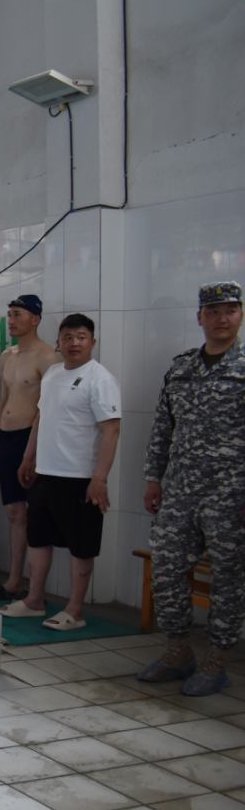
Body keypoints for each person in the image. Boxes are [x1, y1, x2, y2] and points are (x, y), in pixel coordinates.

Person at [138, 281, 245, 696]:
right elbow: (162, 427)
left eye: (230, 310)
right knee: (166, 570)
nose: (222, 319)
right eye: (213, 311)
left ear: (240, 315)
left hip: (232, 494)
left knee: (229, 579)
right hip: (180, 490)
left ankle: (217, 662)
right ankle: (178, 651)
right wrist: (153, 478)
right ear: (200, 317)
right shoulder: (181, 368)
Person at [8, 314, 121, 632]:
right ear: (58, 342)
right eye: (68, 337)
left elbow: (111, 430)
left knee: (80, 544)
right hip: (45, 472)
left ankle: (75, 610)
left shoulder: (100, 379)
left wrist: (99, 478)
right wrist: (28, 458)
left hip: (80, 477)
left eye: (81, 337)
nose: (74, 343)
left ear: (92, 342)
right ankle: (34, 600)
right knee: (38, 538)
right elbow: (40, 418)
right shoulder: (53, 374)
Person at [0, 294, 59, 602]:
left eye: (18, 315)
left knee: (35, 512)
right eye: (10, 314)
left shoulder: (48, 357)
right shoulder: (8, 356)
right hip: (7, 438)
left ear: (35, 319)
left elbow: (46, 410)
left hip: (32, 440)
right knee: (14, 512)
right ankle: (14, 580)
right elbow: (2, 402)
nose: (11, 320)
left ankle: (35, 586)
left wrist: (33, 452)